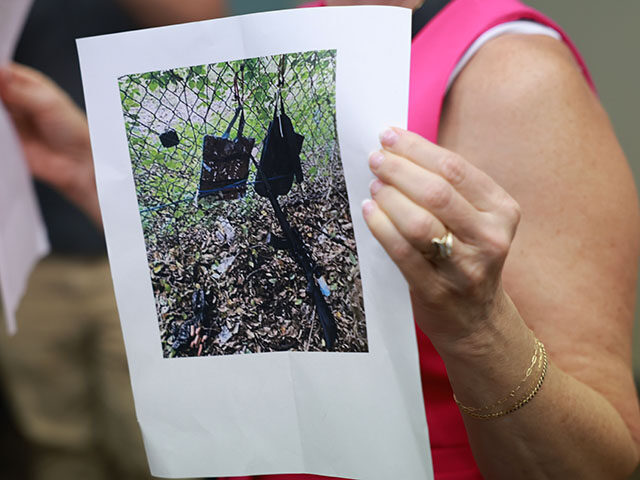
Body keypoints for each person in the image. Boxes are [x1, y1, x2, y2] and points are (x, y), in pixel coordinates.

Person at [2, 1, 639, 480]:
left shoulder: (509, 70)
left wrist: (479, 327)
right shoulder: (302, 29)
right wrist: (100, 174)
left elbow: (608, 461)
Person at [0, 3, 228, 479]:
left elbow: (204, 17)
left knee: (155, 445)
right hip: (24, 248)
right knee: (56, 447)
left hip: (134, 242)